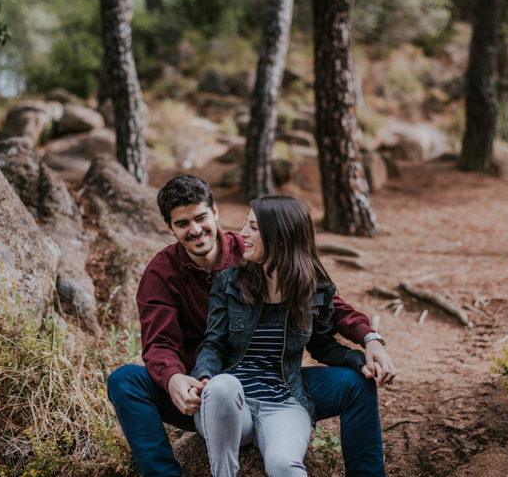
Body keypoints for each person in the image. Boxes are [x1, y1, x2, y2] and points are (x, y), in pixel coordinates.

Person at [107, 175, 395, 477]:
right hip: (201, 387)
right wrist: (173, 378)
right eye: (182, 224)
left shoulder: (249, 251)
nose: (194, 230)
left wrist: (369, 338)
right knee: (125, 380)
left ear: (215, 212)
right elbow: (160, 343)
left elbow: (322, 303)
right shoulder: (162, 273)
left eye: (201, 217)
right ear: (169, 227)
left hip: (278, 378)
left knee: (358, 383)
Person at [191, 195, 372, 477]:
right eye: (245, 225)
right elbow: (213, 344)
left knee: (285, 466)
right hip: (230, 404)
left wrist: (358, 358)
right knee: (223, 385)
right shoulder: (229, 282)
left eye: (253, 227)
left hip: (283, 405)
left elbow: (323, 346)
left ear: (281, 238)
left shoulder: (315, 290)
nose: (242, 234)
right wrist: (204, 376)